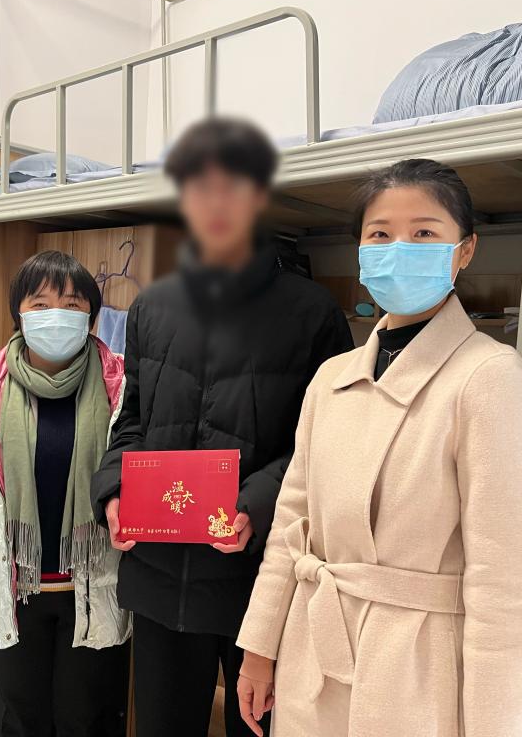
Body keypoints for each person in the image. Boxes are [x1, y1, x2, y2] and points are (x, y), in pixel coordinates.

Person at [236, 159, 522, 736]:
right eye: (380, 234)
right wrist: (259, 647)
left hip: (415, 672)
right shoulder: (331, 377)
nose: (399, 248)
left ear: (465, 250)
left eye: (424, 232)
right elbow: (289, 525)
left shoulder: (489, 379)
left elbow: (506, 590)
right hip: (312, 651)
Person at [91, 117, 354, 737]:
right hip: (159, 579)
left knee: (258, 727)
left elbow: (325, 443)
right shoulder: (152, 306)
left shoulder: (311, 313)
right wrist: (115, 492)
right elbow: (131, 421)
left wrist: (255, 505)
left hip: (256, 578)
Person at [0, 250, 131, 737]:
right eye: (40, 303)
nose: (56, 315)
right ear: (18, 312)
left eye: (72, 304)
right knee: (22, 720)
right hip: (12, 589)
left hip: (96, 588)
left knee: (87, 720)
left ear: (91, 316)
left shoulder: (122, 385)